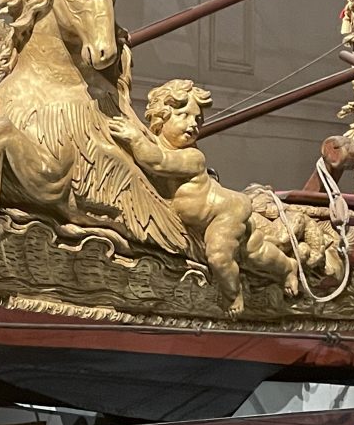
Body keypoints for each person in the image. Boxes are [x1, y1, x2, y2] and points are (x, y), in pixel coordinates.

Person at [109, 79, 298, 315]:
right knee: (254, 252)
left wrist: (135, 139)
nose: (193, 125)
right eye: (184, 116)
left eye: (198, 120)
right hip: (216, 213)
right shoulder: (154, 142)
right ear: (161, 117)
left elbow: (158, 162)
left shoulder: (192, 157)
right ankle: (287, 266)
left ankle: (235, 294)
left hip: (222, 212)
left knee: (220, 256)